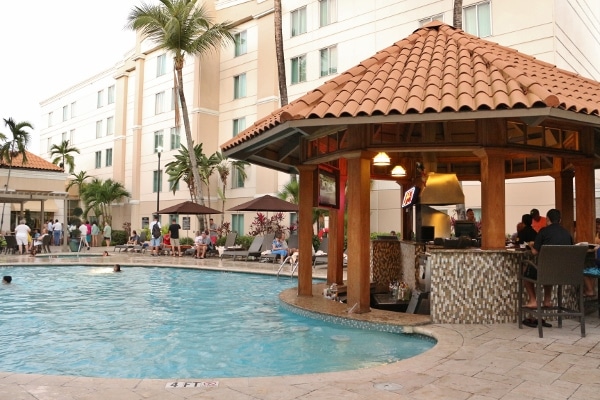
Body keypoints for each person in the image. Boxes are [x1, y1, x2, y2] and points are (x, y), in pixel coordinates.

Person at [523, 209, 573, 310]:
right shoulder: (567, 234)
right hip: (565, 273)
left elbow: (535, 252)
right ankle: (547, 300)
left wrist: (530, 245)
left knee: (526, 269)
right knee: (549, 267)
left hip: (546, 271)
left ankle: (533, 300)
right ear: (560, 220)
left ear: (548, 219)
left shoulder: (544, 232)